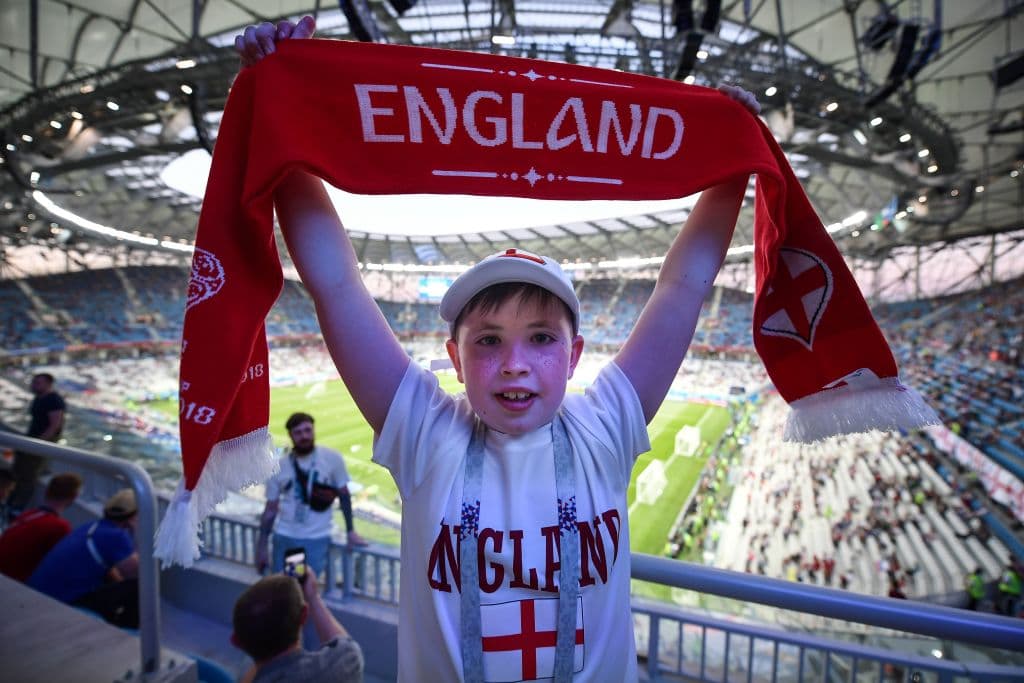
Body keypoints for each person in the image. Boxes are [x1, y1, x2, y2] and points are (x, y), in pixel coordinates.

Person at [236, 17, 758, 681]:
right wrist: (280, 111)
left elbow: (683, 287)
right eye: (488, 341)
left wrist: (730, 170)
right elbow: (335, 284)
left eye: (541, 338)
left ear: (574, 357)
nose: (515, 362)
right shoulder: (429, 435)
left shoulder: (603, 427)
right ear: (455, 361)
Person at [256, 412, 367, 577]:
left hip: (315, 538)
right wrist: (262, 546)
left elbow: (344, 497)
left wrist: (350, 531)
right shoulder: (280, 466)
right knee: (292, 589)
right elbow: (270, 510)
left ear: (314, 430)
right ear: (290, 435)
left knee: (299, 589)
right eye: (298, 432)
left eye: (307, 430)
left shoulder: (332, 459)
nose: (304, 436)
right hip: (287, 536)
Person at [28, 488, 140, 628]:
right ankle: (126, 633)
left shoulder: (92, 527)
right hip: (63, 600)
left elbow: (109, 570)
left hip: (38, 594)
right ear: (132, 517)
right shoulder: (117, 536)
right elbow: (138, 574)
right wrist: (137, 533)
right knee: (137, 588)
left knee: (110, 580)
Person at [232, 571, 364, 683]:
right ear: (304, 616)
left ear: (236, 642)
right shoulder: (341, 667)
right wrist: (313, 597)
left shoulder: (246, 674)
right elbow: (347, 647)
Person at [0, 472, 82, 581]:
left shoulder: (29, 514)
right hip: (13, 582)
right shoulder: (60, 527)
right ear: (74, 497)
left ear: (48, 491)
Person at [9, 373, 66, 515]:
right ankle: (11, 502)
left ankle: (17, 508)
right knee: (18, 471)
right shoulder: (39, 398)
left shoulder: (54, 401)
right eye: (34, 382)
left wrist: (39, 443)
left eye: (38, 383)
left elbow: (55, 426)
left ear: (49, 384)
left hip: (39, 443)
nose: (34, 385)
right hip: (30, 440)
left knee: (28, 475)